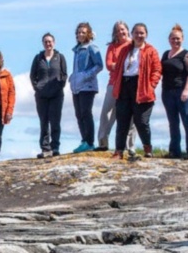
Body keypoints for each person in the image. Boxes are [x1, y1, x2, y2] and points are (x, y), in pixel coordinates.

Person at [111, 22, 161, 159]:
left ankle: (147, 147)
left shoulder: (151, 50)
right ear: (132, 34)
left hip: (142, 87)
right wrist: (116, 83)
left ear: (146, 35)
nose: (139, 36)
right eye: (136, 33)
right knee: (122, 120)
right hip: (124, 86)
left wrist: (151, 85)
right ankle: (119, 151)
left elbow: (157, 70)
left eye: (142, 33)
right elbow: (118, 68)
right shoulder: (125, 49)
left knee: (141, 121)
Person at [160, 24, 188, 159]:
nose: (175, 41)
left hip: (183, 91)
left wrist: (186, 90)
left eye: (178, 38)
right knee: (173, 122)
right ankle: (174, 150)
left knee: (187, 120)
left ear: (182, 39)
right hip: (167, 92)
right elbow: (159, 71)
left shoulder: (186, 54)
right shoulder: (166, 54)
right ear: (169, 39)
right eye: (173, 38)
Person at [96, 21, 133, 152]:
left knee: (130, 115)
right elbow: (108, 65)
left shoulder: (133, 45)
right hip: (113, 83)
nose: (120, 32)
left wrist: (118, 65)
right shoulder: (112, 46)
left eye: (122, 29)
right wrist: (124, 65)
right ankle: (103, 142)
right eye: (117, 31)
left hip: (130, 84)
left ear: (128, 30)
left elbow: (136, 64)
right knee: (106, 111)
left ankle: (130, 146)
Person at [29, 33, 67, 158]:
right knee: (44, 122)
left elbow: (64, 74)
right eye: (45, 42)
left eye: (50, 41)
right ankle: (45, 148)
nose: (48, 44)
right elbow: (32, 75)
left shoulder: (60, 57)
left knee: (55, 121)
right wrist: (37, 88)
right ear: (43, 44)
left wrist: (59, 86)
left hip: (56, 95)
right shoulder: (38, 58)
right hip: (41, 95)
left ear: (54, 43)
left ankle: (55, 147)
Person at [69, 22, 103, 154]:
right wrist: (73, 77)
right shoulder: (77, 50)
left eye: (83, 32)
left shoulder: (92, 48)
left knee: (85, 112)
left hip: (88, 86)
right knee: (79, 114)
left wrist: (85, 75)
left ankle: (89, 142)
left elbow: (99, 65)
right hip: (76, 86)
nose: (80, 34)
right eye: (78, 32)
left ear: (88, 33)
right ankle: (84, 140)